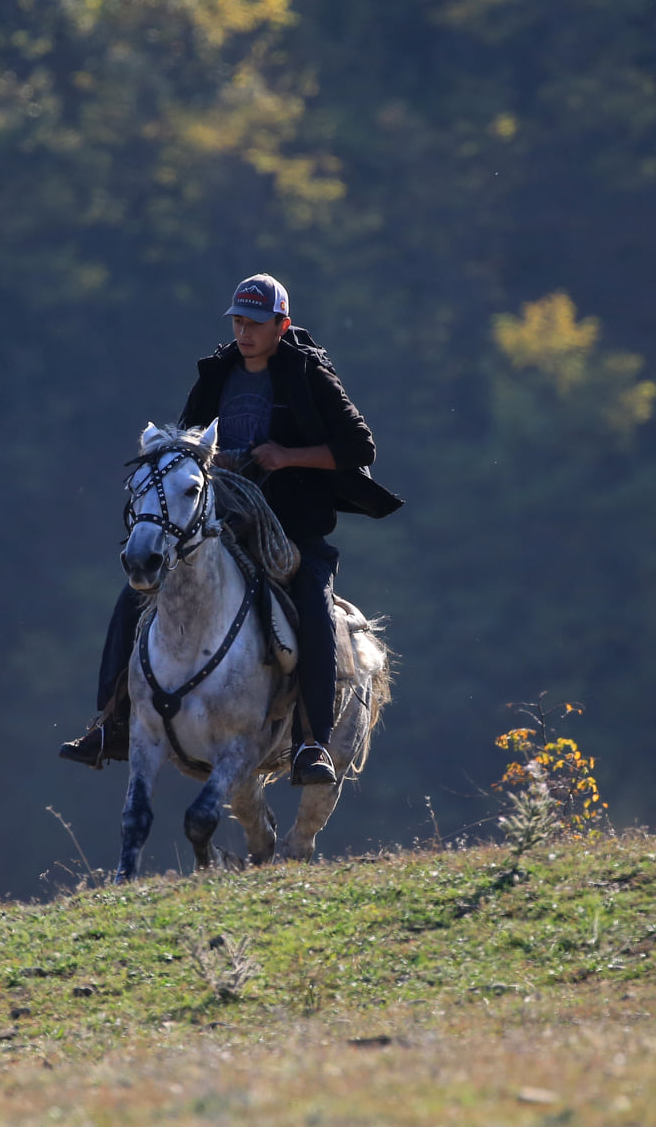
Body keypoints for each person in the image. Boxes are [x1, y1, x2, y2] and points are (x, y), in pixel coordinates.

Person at [58, 273, 402, 785]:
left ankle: (312, 744)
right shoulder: (218, 374)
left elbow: (359, 447)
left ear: (281, 325)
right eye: (239, 321)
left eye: (256, 323)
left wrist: (287, 457)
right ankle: (110, 723)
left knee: (312, 603)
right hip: (216, 524)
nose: (244, 332)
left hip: (293, 530)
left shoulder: (309, 374)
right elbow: (184, 449)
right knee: (135, 594)